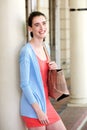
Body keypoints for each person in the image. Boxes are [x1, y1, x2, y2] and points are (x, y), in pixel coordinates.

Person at [19, 11, 66, 130]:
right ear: (30, 28)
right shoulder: (26, 52)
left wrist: (53, 67)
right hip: (33, 107)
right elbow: (24, 85)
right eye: (37, 25)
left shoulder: (46, 47)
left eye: (44, 23)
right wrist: (39, 111)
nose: (42, 28)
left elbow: (44, 75)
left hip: (46, 103)